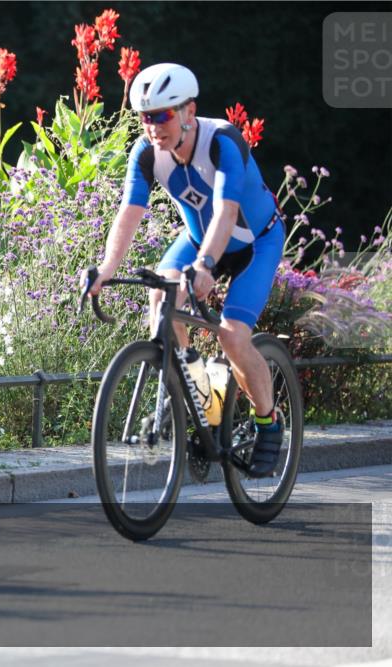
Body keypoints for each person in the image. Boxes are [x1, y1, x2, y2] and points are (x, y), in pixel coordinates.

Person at [89, 63, 285, 478]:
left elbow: (226, 212)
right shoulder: (146, 153)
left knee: (233, 337)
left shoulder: (222, 142)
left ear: (188, 112)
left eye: (162, 115)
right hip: (199, 240)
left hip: (255, 242)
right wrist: (105, 269)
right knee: (161, 299)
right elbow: (129, 213)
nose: (153, 126)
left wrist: (206, 264)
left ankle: (268, 422)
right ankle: (203, 398)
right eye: (145, 117)